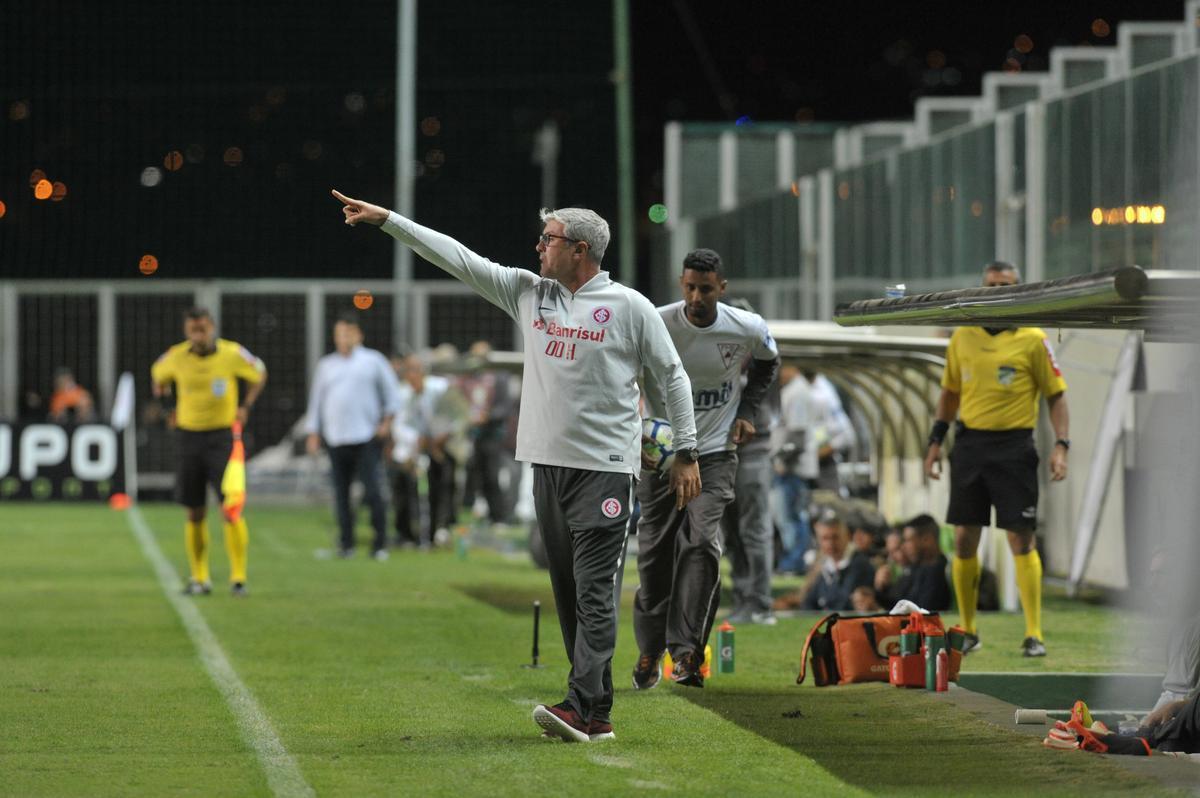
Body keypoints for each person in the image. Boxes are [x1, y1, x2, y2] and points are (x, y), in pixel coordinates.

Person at [331, 189, 700, 744]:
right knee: (569, 594)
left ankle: (579, 705)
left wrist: (687, 451)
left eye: (548, 239)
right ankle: (597, 714)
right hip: (546, 468)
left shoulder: (630, 307)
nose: (538, 246)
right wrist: (389, 221)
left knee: (595, 592)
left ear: (579, 250)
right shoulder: (529, 293)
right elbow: (458, 258)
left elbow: (673, 377)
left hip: (604, 469)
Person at [633, 248, 779, 690]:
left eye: (706, 289)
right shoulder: (656, 322)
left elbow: (769, 362)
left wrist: (747, 410)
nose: (697, 297)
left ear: (722, 288)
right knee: (655, 555)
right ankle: (650, 649)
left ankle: (687, 653)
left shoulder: (746, 327)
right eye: (690, 288)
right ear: (682, 284)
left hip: (714, 454)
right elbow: (621, 373)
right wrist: (634, 432)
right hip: (661, 455)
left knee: (701, 543)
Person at [924, 261, 1069, 658]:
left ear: (1018, 289)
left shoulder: (1033, 339)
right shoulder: (962, 337)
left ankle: (1034, 633)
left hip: (1014, 447)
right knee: (964, 537)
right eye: (991, 285)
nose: (997, 291)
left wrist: (1061, 445)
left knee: (1020, 537)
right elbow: (950, 393)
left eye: (1005, 285)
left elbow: (1057, 395)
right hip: (970, 446)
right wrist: (935, 441)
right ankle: (968, 629)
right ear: (981, 287)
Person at [150, 307, 267, 597]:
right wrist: (167, 409)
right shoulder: (176, 356)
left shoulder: (232, 354)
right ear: (186, 331)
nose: (198, 335)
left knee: (230, 507)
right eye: (193, 330)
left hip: (222, 438)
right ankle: (200, 577)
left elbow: (259, 373)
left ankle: (238, 577)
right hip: (188, 437)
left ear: (212, 328)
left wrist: (246, 406)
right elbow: (158, 377)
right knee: (194, 511)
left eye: (202, 329)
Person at [305, 315, 402, 560]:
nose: (343, 338)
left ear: (358, 334)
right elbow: (316, 402)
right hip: (336, 437)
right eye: (339, 334)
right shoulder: (327, 365)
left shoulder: (373, 361)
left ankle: (379, 544)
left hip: (366, 436)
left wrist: (386, 424)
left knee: (373, 492)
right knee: (341, 495)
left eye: (348, 333)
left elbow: (392, 395)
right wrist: (313, 433)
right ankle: (346, 544)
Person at [722, 357, 781, 627]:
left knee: (754, 532)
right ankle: (743, 599)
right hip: (722, 452)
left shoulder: (763, 360)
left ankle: (760, 604)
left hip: (754, 452)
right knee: (732, 533)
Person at [390, 352, 468, 547]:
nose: (413, 375)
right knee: (404, 489)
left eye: (417, 370)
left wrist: (443, 435)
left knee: (441, 488)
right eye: (409, 371)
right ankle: (406, 534)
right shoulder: (401, 394)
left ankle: (438, 530)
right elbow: (398, 425)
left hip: (441, 447)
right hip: (412, 449)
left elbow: (459, 415)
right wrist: (417, 440)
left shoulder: (440, 389)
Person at [772, 364, 814, 574]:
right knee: (788, 517)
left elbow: (797, 435)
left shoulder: (798, 392)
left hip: (792, 469)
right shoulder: (794, 390)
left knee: (792, 517)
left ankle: (795, 562)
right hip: (790, 468)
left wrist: (783, 462)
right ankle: (793, 561)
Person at [800, 508, 874, 611]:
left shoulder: (860, 565)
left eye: (835, 537)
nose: (830, 543)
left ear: (847, 536)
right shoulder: (824, 565)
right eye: (825, 538)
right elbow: (808, 602)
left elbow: (844, 603)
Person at [876, 514, 951, 611]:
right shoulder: (915, 570)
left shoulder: (945, 571)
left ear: (927, 540)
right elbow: (898, 602)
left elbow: (921, 611)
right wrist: (880, 590)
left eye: (908, 540)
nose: (904, 547)